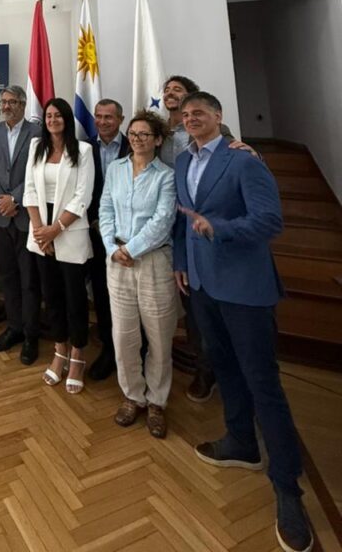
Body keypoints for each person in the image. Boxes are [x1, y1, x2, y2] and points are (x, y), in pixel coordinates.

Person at [174, 92, 312, 552]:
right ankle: (240, 441)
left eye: (199, 113)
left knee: (263, 385)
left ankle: (288, 489)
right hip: (202, 286)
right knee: (225, 368)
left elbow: (270, 221)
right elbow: (183, 220)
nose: (190, 118)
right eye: (185, 114)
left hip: (244, 289)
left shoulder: (244, 160)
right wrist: (182, 260)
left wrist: (221, 230)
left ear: (218, 117)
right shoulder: (181, 161)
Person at [159, 74, 247, 403]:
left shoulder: (218, 136)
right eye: (166, 90)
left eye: (177, 91)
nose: (170, 94)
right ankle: (204, 365)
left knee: (211, 311)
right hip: (170, 231)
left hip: (207, 233)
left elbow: (238, 160)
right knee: (192, 308)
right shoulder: (160, 132)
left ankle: (214, 370)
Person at [99, 110, 178, 438]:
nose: (137, 139)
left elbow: (163, 221)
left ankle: (157, 401)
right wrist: (111, 248)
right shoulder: (115, 169)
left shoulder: (167, 176)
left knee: (159, 335)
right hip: (116, 261)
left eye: (145, 134)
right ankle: (133, 395)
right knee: (124, 335)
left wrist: (131, 250)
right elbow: (104, 210)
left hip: (152, 262)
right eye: (133, 133)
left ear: (158, 140)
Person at [24, 98, 94, 394]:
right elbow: (29, 189)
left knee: (75, 300)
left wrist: (56, 229)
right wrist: (41, 232)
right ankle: (60, 351)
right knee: (51, 298)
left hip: (70, 232)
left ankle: (77, 356)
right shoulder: (36, 147)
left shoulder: (84, 151)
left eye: (58, 115)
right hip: (41, 234)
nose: (53, 119)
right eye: (48, 115)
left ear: (66, 118)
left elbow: (83, 196)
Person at [0, 85, 41, 365]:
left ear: (23, 104)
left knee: (29, 280)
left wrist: (14, 199)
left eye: (13, 101)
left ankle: (31, 335)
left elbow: (37, 172)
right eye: (3, 101)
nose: (7, 106)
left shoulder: (38, 133)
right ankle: (14, 327)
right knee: (6, 277)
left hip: (26, 215)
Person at [85, 98, 130, 380]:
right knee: (102, 294)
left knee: (129, 297)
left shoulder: (136, 144)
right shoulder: (84, 148)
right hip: (95, 233)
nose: (102, 122)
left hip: (129, 237)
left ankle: (134, 351)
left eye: (109, 117)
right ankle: (109, 349)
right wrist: (94, 222)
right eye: (98, 116)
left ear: (121, 119)